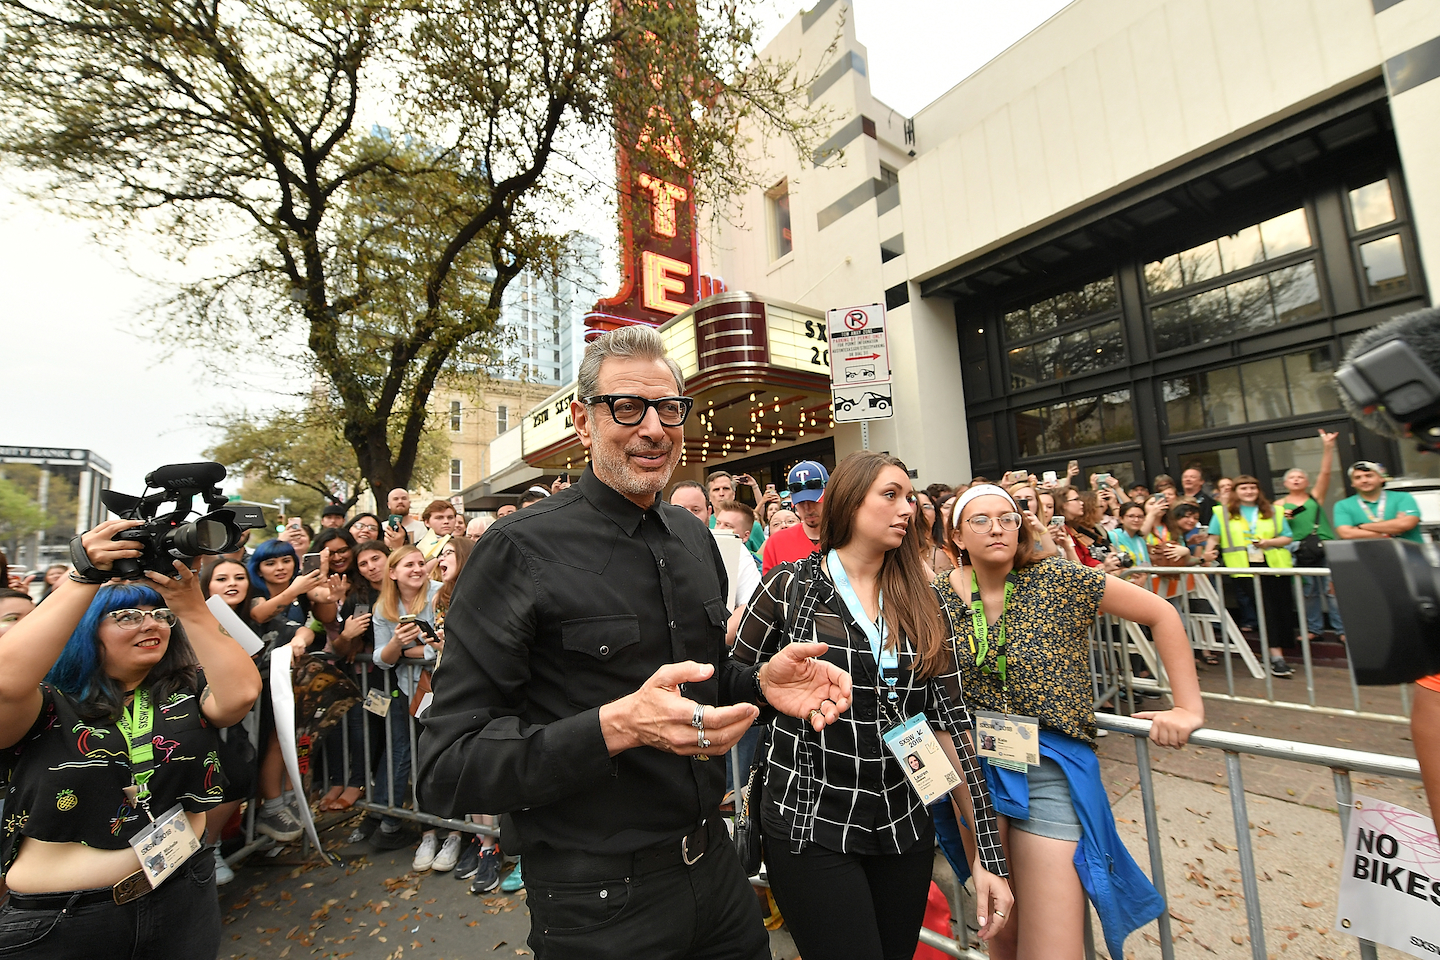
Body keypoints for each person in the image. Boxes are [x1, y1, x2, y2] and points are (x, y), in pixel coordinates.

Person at [418, 324, 853, 960]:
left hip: (717, 873)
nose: (652, 427)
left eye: (669, 407)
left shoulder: (694, 537)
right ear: (582, 420)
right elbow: (448, 764)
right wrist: (616, 726)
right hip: (595, 902)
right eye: (627, 406)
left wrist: (758, 681)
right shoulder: (516, 551)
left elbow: (699, 682)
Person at [732, 452, 1012, 960]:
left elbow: (951, 726)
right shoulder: (790, 588)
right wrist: (764, 684)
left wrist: (988, 858)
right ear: (849, 502)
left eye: (910, 496)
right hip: (809, 821)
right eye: (890, 494)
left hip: (902, 825)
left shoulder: (926, 601)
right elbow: (728, 683)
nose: (908, 507)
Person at [936, 485, 1203, 960]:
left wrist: (1187, 707)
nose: (996, 527)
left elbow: (1161, 613)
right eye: (979, 520)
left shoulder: (1061, 580)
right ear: (956, 535)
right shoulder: (932, 597)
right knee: (1003, 939)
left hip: (1046, 774)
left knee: (1052, 948)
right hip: (971, 778)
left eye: (1007, 517)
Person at [0, 520, 262, 959]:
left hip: (182, 895)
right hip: (68, 922)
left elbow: (241, 696)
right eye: (127, 616)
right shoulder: (44, 703)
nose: (152, 624)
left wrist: (191, 607)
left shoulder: (181, 689)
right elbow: (6, 682)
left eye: (159, 615)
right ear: (85, 631)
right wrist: (84, 574)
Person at [372, 545, 447, 864]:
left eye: (420, 563)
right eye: (409, 565)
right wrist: (396, 645)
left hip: (444, 689)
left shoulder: (440, 592)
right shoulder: (383, 607)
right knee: (418, 761)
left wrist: (410, 654)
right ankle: (427, 832)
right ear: (393, 573)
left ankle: (455, 834)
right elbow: (382, 660)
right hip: (410, 694)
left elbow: (443, 647)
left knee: (445, 759)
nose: (418, 569)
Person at [1206, 475, 1297, 678]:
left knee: (1281, 608)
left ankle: (1278, 652)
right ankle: (1276, 656)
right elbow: (1213, 538)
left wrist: (1268, 543)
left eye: (1252, 488)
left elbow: (1287, 536)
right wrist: (1206, 557)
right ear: (1236, 492)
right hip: (1243, 567)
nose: (1249, 491)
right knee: (1266, 609)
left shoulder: (1275, 511)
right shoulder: (1222, 513)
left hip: (1275, 564)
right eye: (1244, 488)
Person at [1278, 430, 1345, 641]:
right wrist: (1282, 518)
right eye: (1292, 478)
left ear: (1306, 482)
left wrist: (1328, 447)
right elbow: (1272, 529)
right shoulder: (1278, 505)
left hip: (1324, 545)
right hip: (1298, 549)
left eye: (1300, 477)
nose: (1296, 480)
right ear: (1285, 484)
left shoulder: (1314, 497)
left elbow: (1325, 473)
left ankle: (1342, 630)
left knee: (1332, 589)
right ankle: (1314, 630)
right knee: (1308, 592)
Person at [762, 460, 829, 573]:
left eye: (814, 501)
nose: (808, 508)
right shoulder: (776, 543)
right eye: (801, 502)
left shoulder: (849, 536)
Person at [1334, 460, 1423, 543]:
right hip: (1369, 557)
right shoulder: (1343, 505)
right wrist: (1391, 531)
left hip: (1410, 555)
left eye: (1369, 476)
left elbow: (1405, 524)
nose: (1364, 480)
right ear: (1352, 483)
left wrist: (1361, 527)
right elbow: (1346, 533)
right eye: (1357, 478)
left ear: (1381, 478)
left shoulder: (1403, 497)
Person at [706, 472, 765, 552]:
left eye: (726, 488)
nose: (721, 493)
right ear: (709, 496)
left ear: (733, 494)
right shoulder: (703, 524)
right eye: (716, 489)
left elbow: (762, 559)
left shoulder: (753, 526)